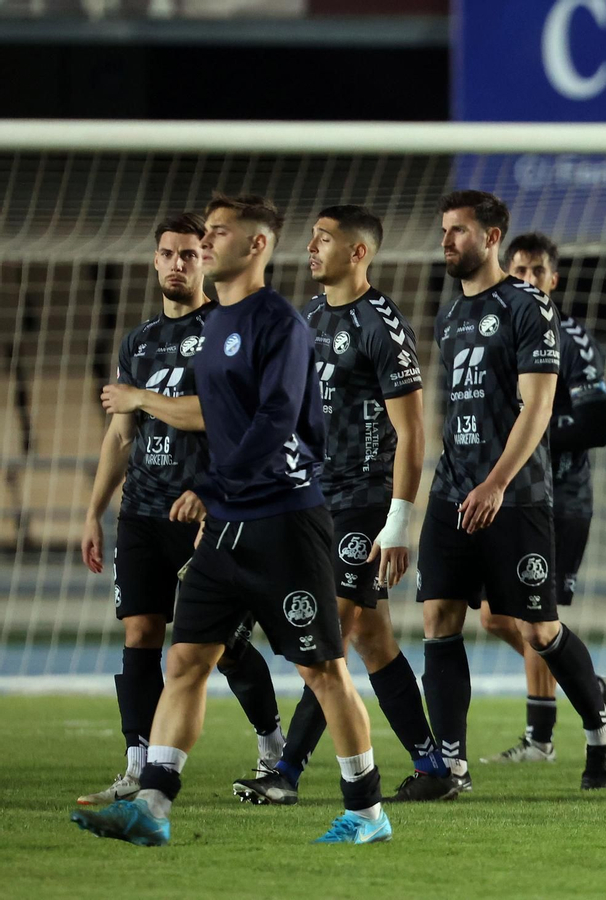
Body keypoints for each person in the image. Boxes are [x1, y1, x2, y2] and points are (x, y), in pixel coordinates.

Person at [72, 194, 391, 845]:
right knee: (186, 658)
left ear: (256, 246)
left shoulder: (280, 323)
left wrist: (214, 485)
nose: (205, 242)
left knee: (323, 670)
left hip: (283, 523)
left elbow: (276, 420)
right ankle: (154, 805)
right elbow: (220, 418)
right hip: (226, 524)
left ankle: (367, 813)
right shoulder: (217, 325)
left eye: (218, 233)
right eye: (204, 232)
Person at [231, 205, 452, 805]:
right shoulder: (307, 318)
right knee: (373, 639)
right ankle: (434, 767)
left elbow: (413, 432)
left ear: (358, 253)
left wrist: (399, 521)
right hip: (316, 498)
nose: (311, 248)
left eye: (324, 239)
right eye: (312, 238)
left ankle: (289, 772)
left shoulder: (381, 325)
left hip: (364, 501)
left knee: (329, 633)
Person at [78, 212, 283, 806]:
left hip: (206, 511)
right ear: (154, 260)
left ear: (205, 259)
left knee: (223, 647)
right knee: (141, 632)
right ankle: (137, 765)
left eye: (189, 254)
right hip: (141, 510)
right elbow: (120, 436)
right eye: (167, 253)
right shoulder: (138, 341)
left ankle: (271, 742)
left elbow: (222, 416)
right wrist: (94, 511)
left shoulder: (225, 330)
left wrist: (143, 397)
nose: (177, 263)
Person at [418, 190, 606, 794]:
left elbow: (539, 406)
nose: (447, 240)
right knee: (440, 618)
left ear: (492, 236)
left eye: (459, 230)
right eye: (444, 230)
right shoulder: (450, 314)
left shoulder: (528, 306)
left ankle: (599, 730)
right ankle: (451, 765)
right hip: (453, 491)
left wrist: (497, 482)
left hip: (516, 494)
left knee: (538, 630)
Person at [479, 232, 606, 765]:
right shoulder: (493, 335)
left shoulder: (570, 337)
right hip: (508, 497)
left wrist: (529, 434)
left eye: (538, 270)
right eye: (518, 269)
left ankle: (540, 741)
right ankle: (584, 679)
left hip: (560, 499)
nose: (527, 279)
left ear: (554, 279)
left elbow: (597, 422)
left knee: (530, 617)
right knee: (495, 617)